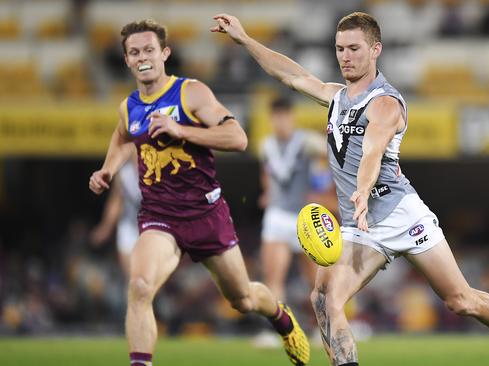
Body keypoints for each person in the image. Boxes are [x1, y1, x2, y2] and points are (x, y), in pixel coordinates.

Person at [212, 12, 489, 366]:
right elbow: (291, 74)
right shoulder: (337, 97)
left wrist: (361, 189)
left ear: (376, 50)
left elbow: (373, 150)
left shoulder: (386, 102)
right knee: (324, 299)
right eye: (340, 48)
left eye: (354, 48)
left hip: (401, 215)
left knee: (460, 300)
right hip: (361, 227)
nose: (345, 56)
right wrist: (246, 40)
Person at [88, 19, 309, 366]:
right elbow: (122, 137)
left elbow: (238, 138)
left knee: (244, 300)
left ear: (164, 53)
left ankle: (282, 320)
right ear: (127, 60)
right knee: (141, 287)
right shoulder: (128, 106)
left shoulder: (191, 93)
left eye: (149, 49)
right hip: (159, 216)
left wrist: (182, 131)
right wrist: (108, 168)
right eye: (134, 52)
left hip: (207, 216)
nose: (142, 57)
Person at [254, 96, 325, 347]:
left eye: (284, 116)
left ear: (291, 117)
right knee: (274, 278)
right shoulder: (266, 145)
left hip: (303, 217)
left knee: (314, 281)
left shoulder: (306, 142)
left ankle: (321, 329)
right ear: (271, 119)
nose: (280, 122)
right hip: (276, 216)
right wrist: (267, 192)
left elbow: (332, 156)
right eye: (276, 117)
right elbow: (267, 174)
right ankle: (277, 332)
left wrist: (322, 190)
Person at [90, 147, 140, 276]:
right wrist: (105, 228)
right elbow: (116, 202)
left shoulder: (158, 173)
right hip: (129, 226)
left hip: (154, 227)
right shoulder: (124, 174)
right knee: (132, 277)